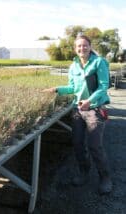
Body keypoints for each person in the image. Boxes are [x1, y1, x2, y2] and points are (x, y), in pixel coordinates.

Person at [43, 35, 113, 195]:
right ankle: (84, 172)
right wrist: (56, 89)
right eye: (79, 46)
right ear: (75, 49)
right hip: (78, 110)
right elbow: (72, 88)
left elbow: (104, 86)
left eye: (85, 45)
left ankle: (105, 177)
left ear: (90, 46)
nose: (82, 48)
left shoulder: (99, 62)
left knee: (95, 145)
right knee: (77, 144)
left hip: (94, 109)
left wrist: (89, 100)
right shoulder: (73, 66)